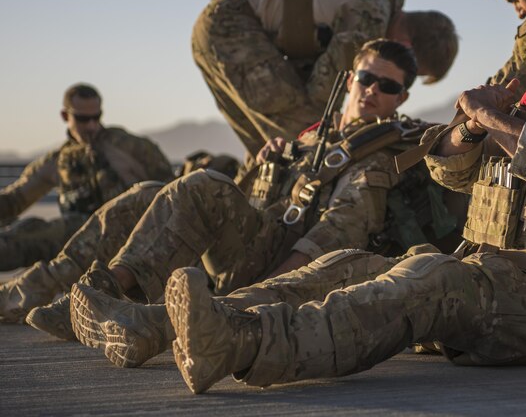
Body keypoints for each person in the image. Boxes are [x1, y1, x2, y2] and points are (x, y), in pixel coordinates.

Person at [138, 0, 526, 394]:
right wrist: (471, 128)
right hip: (497, 277)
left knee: (431, 279)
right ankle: (183, 324)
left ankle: (239, 345)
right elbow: (450, 171)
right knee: (348, 265)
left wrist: (497, 119)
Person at [19, 41, 436, 350]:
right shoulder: (312, 139)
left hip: (280, 269)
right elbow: (254, 199)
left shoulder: (378, 154)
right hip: (250, 246)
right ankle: (86, 292)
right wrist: (264, 164)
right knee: (147, 193)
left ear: (401, 98)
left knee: (204, 185)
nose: (371, 90)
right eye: (366, 78)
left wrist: (267, 290)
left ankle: (109, 296)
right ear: (349, 80)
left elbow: (340, 229)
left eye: (386, 85)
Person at [192, 0, 459, 157]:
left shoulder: (378, 1)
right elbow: (326, 92)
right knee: (309, 133)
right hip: (232, 26)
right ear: (407, 47)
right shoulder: (371, 16)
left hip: (219, 23)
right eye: (411, 72)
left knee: (267, 143)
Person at [0, 84, 174, 273]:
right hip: (79, 242)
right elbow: (14, 200)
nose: (91, 126)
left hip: (132, 239)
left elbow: (173, 191)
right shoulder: (57, 161)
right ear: (65, 116)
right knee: (26, 234)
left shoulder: (131, 147)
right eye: (82, 119)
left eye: (96, 117)